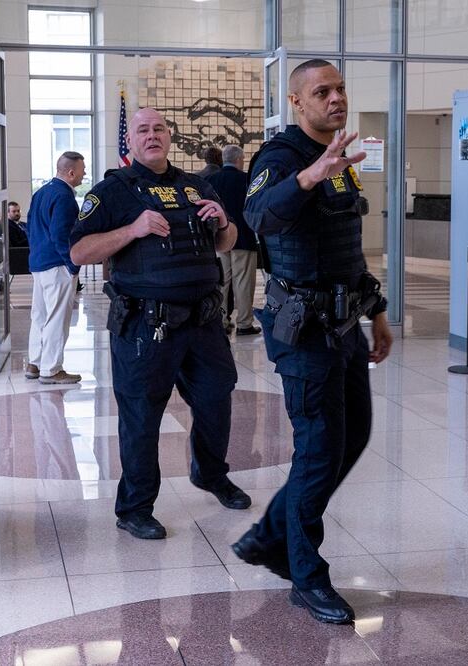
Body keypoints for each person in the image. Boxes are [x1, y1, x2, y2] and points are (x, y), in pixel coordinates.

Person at [234, 59, 393, 625]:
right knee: (320, 451)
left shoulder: (340, 158)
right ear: (297, 101)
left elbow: (345, 245)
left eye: (340, 89)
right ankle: (305, 574)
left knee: (353, 437)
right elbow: (258, 216)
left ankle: (268, 538)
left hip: (345, 326)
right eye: (322, 91)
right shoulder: (281, 157)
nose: (336, 99)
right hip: (304, 331)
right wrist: (306, 178)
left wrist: (377, 312)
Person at [69, 108, 251, 540]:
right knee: (142, 415)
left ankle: (210, 473)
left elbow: (225, 242)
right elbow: (78, 252)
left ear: (169, 136)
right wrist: (132, 230)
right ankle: (134, 508)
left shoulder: (196, 185)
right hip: (145, 325)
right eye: (143, 130)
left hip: (203, 322)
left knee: (216, 397)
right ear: (130, 141)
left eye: (159, 129)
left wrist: (224, 222)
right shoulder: (112, 191)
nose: (152, 136)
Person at [25, 152, 85, 384]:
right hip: (57, 264)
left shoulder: (41, 192)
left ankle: (35, 363)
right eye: (82, 171)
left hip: (39, 262)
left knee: (39, 316)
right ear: (71, 172)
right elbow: (61, 235)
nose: (84, 175)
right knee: (57, 318)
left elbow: (30, 226)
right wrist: (72, 264)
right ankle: (51, 369)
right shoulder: (64, 197)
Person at [206, 145, 261, 336]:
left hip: (219, 239)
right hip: (244, 237)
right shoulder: (247, 180)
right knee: (243, 282)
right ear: (239, 160)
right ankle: (244, 323)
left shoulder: (211, 180)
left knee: (222, 281)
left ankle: (221, 321)